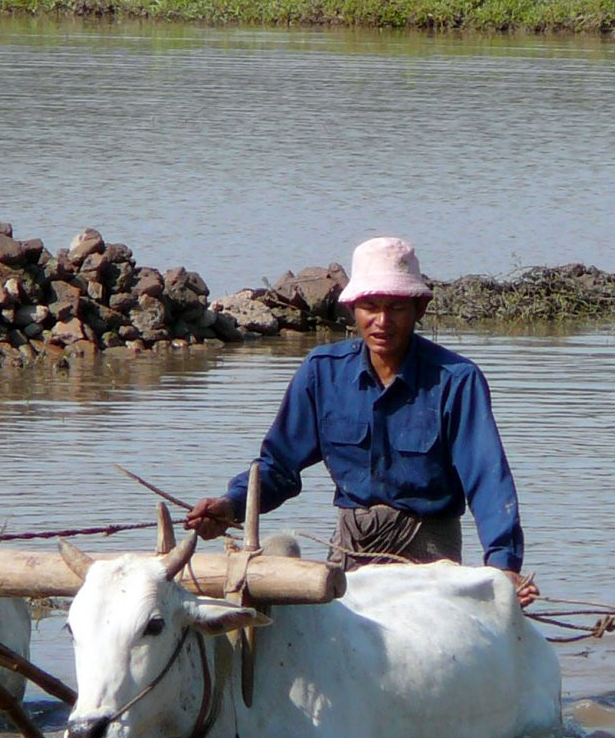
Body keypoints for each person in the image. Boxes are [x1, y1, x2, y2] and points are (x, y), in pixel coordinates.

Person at [187, 236, 540, 608]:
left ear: (419, 309)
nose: (382, 321)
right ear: (352, 308)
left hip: (429, 551)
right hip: (350, 549)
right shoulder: (321, 373)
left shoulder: (456, 380)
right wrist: (230, 506)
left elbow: (488, 482)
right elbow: (278, 468)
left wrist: (503, 569)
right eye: (370, 306)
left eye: (397, 308)